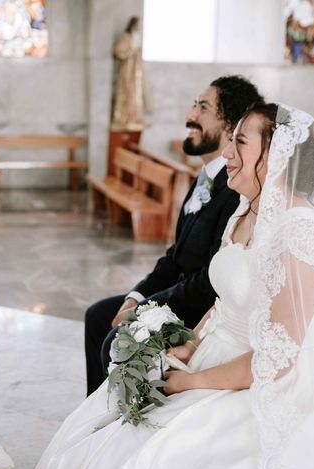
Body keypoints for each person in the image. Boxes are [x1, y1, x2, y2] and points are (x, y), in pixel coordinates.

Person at [31, 103, 314, 469]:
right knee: (105, 432)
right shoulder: (245, 211)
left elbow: (278, 356)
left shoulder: (300, 234)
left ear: (277, 157)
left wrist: (194, 382)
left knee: (155, 458)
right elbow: (225, 301)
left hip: (270, 383)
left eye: (240, 142)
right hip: (216, 355)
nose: (227, 151)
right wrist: (188, 344)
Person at [84, 76, 264, 395]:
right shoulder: (204, 180)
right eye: (194, 104)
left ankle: (122, 419)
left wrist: (146, 310)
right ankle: (96, 414)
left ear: (229, 124)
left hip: (200, 307)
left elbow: (211, 278)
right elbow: (174, 257)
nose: (190, 115)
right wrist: (135, 297)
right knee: (99, 316)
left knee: (117, 338)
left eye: (202, 107)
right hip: (177, 294)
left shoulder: (235, 189)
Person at [111, 16, 150, 130]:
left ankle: (133, 118)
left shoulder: (136, 37)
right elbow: (118, 51)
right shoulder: (126, 37)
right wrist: (131, 51)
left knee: (135, 96)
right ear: (132, 25)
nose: (138, 28)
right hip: (127, 71)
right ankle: (123, 118)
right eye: (136, 25)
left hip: (136, 73)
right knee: (126, 93)